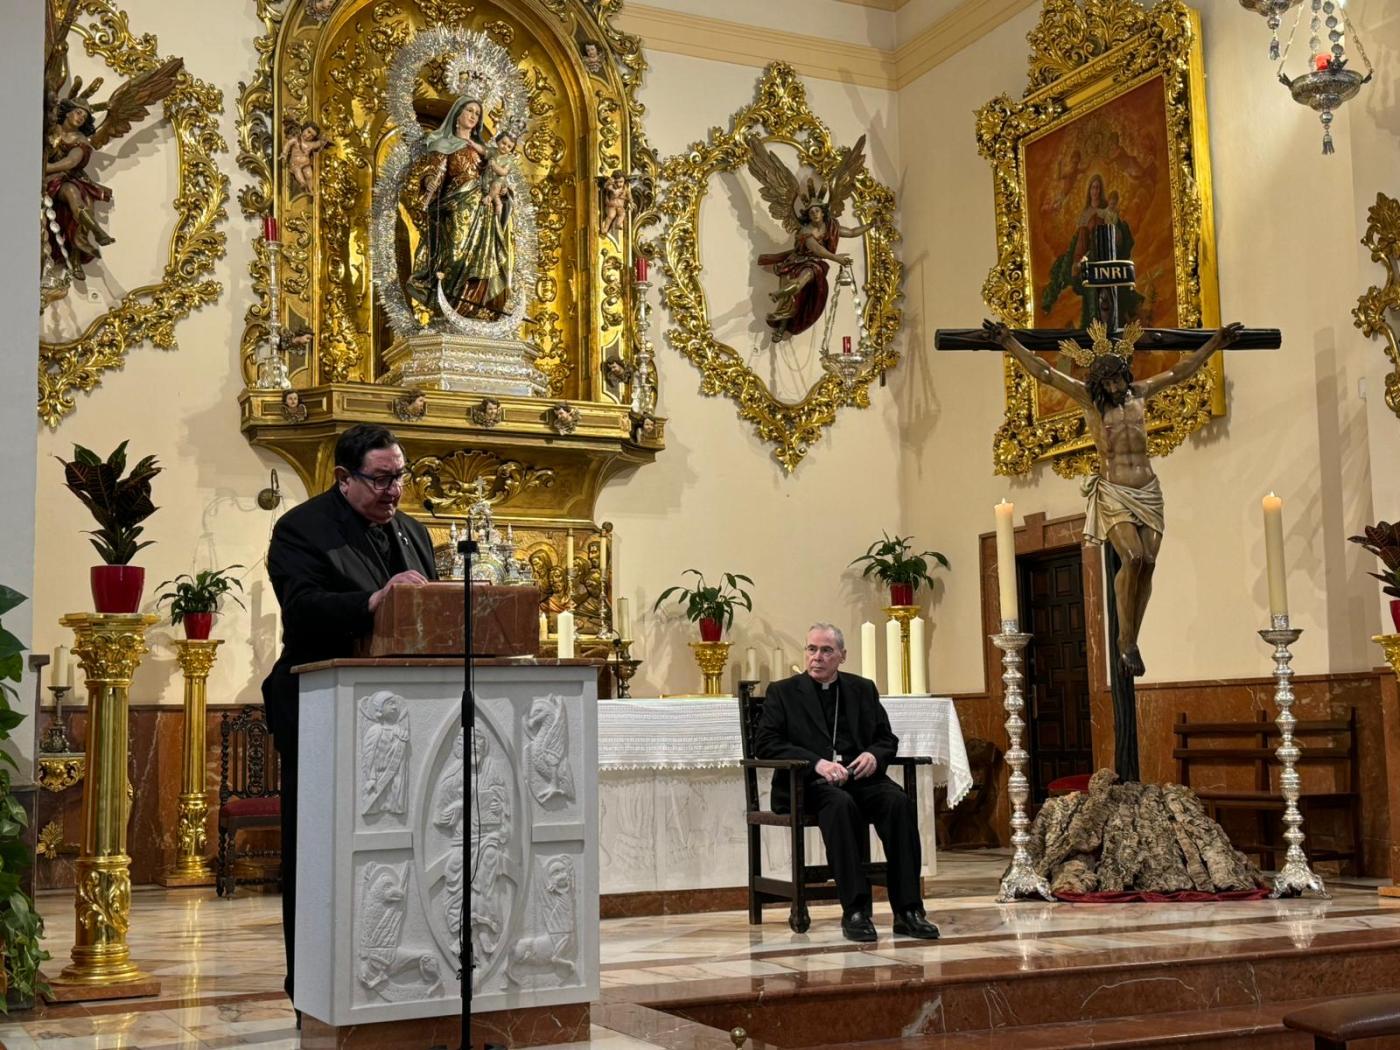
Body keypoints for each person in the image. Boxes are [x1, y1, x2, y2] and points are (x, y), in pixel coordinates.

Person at [262, 423, 437, 1008]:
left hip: (404, 716)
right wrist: (372, 600)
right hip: (322, 709)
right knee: (320, 847)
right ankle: (311, 985)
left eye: (399, 478)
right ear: (343, 478)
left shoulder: (413, 532)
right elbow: (303, 607)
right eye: (380, 479)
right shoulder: (300, 529)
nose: (393, 491)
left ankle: (393, 976)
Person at [983, 319, 1242, 676]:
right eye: (1110, 382)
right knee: (1133, 557)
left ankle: (1133, 638)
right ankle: (1125, 641)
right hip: (1115, 491)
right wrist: (1010, 342)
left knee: (1148, 563)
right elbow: (1044, 372)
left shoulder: (1138, 393)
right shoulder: (1090, 401)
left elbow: (1181, 371)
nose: (1117, 386)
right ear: (1099, 383)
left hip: (1148, 490)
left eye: (1120, 378)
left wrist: (1214, 343)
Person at [755, 623, 940, 943]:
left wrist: (873, 754)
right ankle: (855, 910)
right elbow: (767, 743)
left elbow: (886, 738)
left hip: (859, 779)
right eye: (811, 649)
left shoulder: (862, 689)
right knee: (840, 805)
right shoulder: (783, 692)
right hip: (808, 785)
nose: (817, 657)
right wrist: (817, 763)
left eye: (826, 650)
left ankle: (909, 911)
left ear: (842, 656)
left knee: (898, 803)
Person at [405, 95, 515, 322]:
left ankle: (475, 309)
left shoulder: (486, 150)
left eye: (477, 113)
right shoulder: (443, 144)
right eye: (470, 111)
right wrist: (428, 182)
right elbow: (435, 172)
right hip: (456, 205)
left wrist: (503, 194)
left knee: (485, 257)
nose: (474, 116)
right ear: (457, 115)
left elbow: (496, 176)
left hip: (483, 206)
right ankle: (451, 308)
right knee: (455, 257)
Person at [758, 201, 872, 340]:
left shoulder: (831, 227)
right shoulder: (804, 231)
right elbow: (817, 249)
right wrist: (836, 258)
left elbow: (852, 232)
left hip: (814, 263)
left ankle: (778, 294)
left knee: (803, 280)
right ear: (808, 216)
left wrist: (870, 225)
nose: (814, 214)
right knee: (792, 299)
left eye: (817, 211)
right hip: (796, 261)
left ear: (823, 212)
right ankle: (781, 324)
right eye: (811, 212)